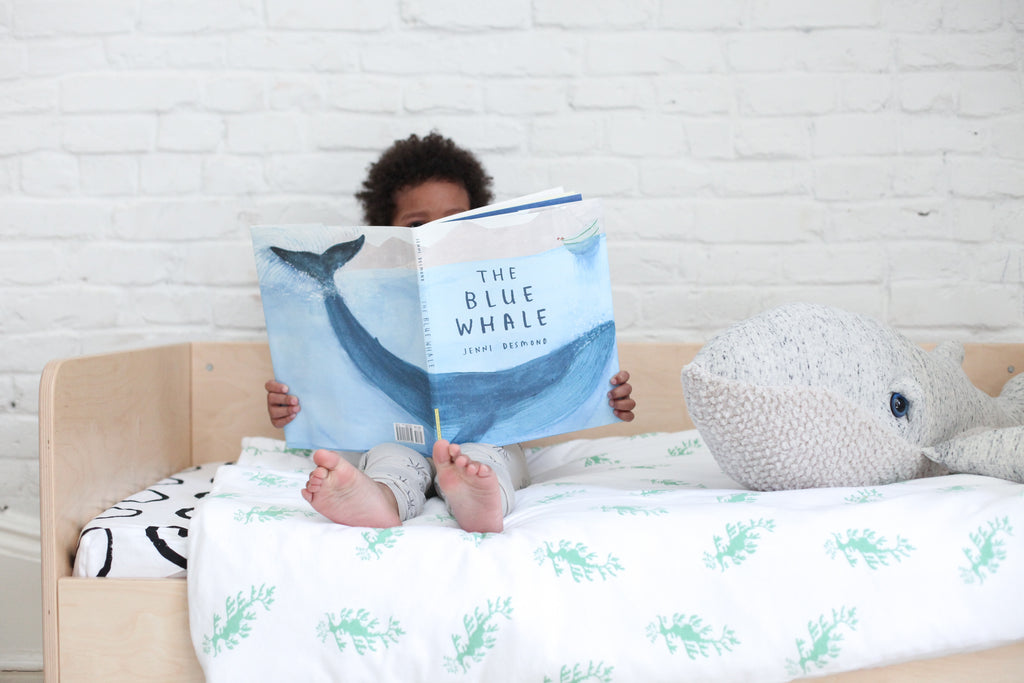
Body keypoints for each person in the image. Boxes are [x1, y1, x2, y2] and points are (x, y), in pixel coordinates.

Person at [265, 132, 636, 533]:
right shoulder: (381, 292)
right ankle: (380, 498)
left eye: (452, 220)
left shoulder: (507, 282)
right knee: (389, 456)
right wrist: (292, 405)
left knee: (487, 456)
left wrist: (604, 392)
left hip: (484, 439)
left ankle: (477, 496)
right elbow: (327, 389)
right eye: (417, 224)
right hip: (397, 437)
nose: (435, 233)